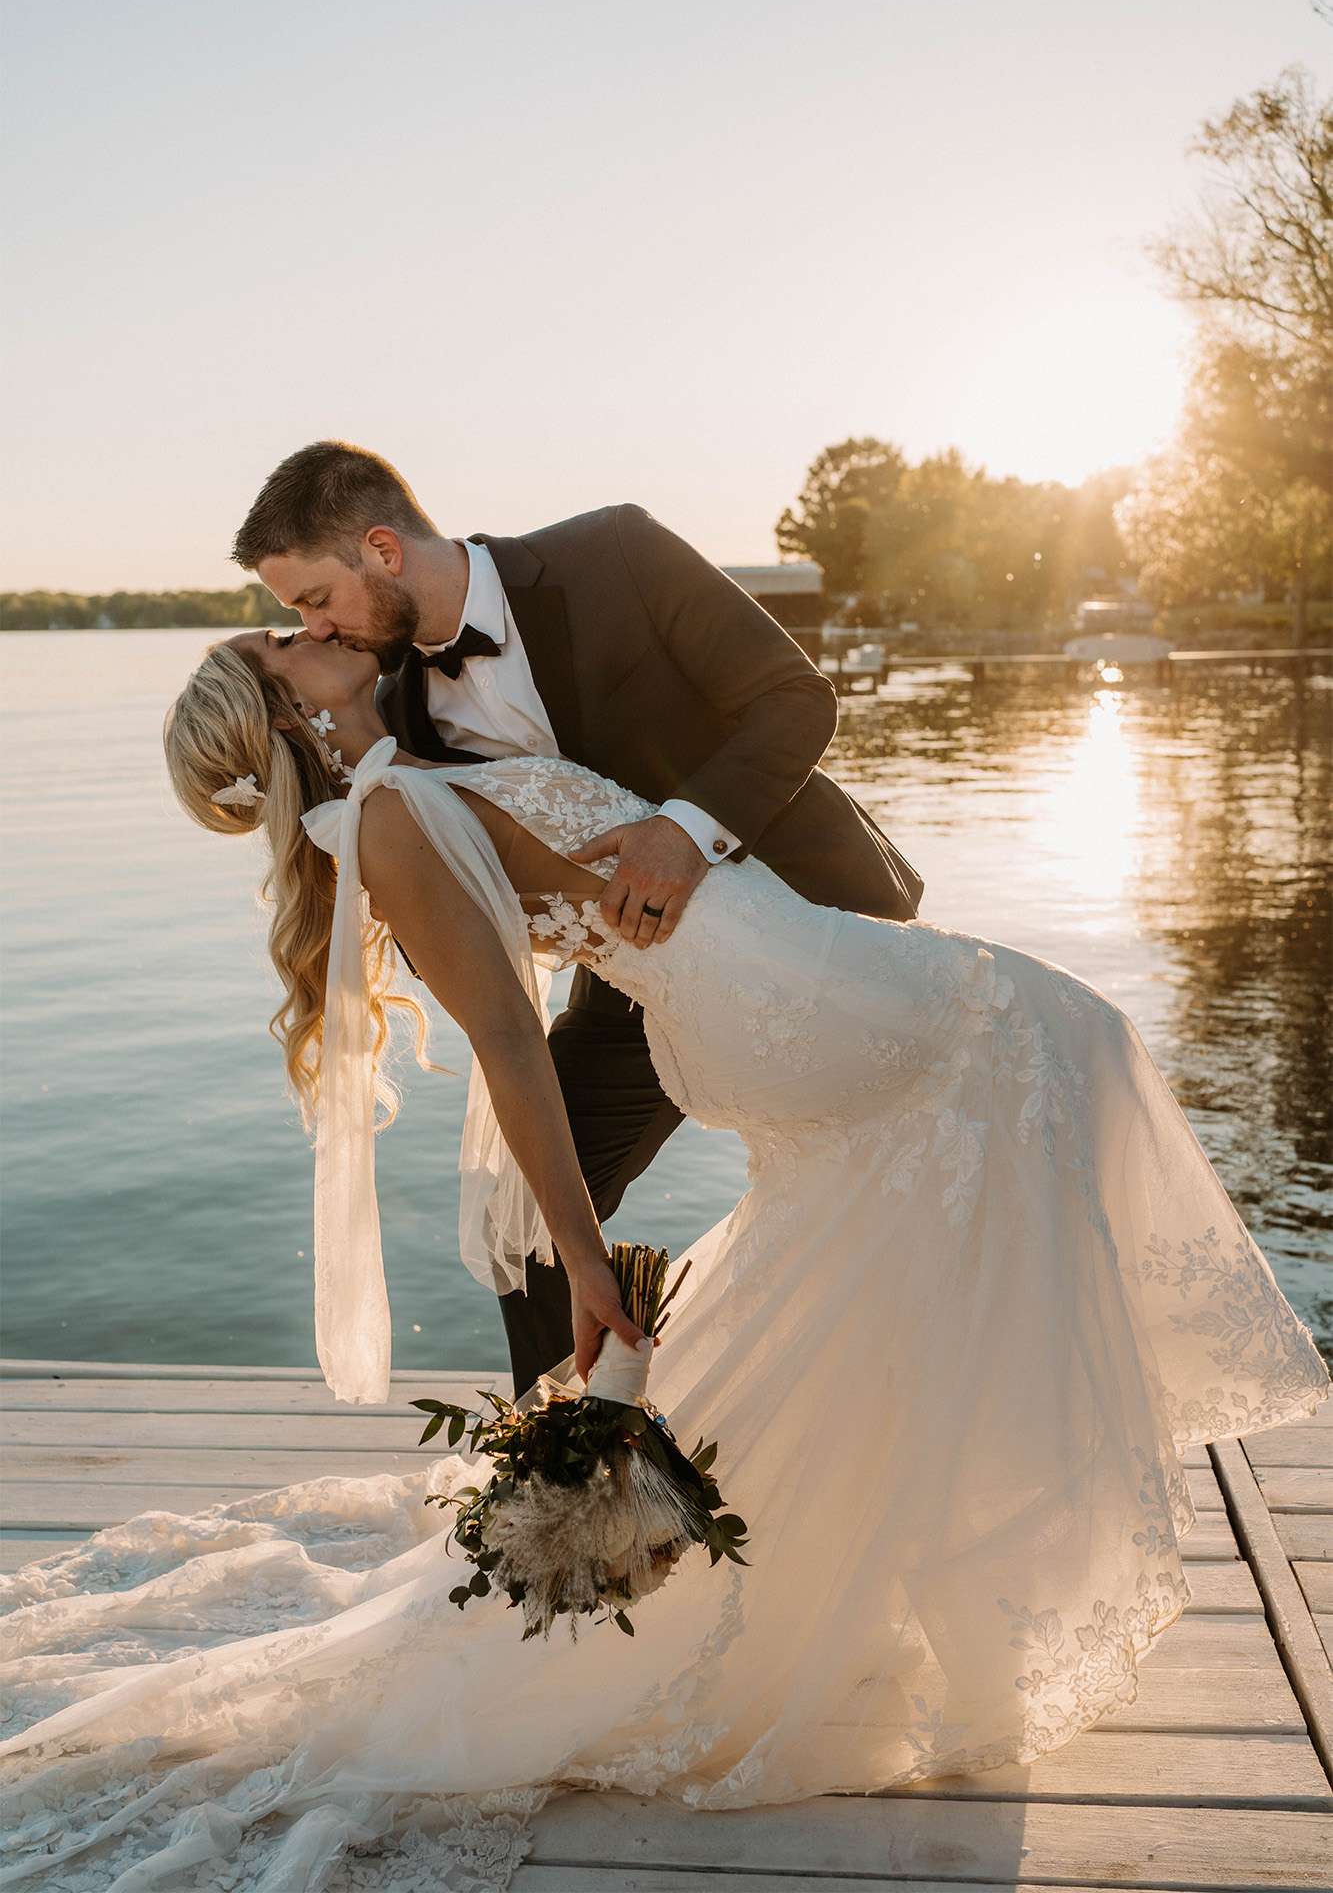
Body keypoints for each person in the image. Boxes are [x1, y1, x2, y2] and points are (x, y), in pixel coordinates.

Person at [0, 621, 1327, 1893]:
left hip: (783, 964)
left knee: (946, 1182)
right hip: (761, 1000)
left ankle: (926, 1535)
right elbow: (512, 1050)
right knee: (1061, 1038)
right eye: (278, 646)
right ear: (293, 714)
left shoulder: (416, 764)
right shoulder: (388, 826)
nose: (300, 628)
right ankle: (996, 1519)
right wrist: (582, 1261)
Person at [227, 440, 925, 1400]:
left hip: (819, 919)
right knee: (533, 1231)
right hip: (639, 981)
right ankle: (573, 1489)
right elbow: (474, 924)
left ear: (381, 551)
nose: (314, 625)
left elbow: (794, 700)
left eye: (313, 599)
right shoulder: (396, 710)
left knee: (901, 1207)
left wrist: (682, 833)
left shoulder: (614, 555)